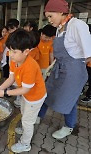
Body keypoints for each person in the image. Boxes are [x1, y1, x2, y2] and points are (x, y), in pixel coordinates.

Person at [38, 0, 91, 139]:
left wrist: (74, 65)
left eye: (51, 16)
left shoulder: (77, 25)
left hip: (73, 72)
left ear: (61, 12)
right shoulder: (60, 28)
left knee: (69, 100)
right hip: (59, 68)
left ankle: (69, 126)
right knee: (47, 92)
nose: (49, 20)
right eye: (47, 17)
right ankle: (38, 117)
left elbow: (89, 54)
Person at [0, 29, 47, 153]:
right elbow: (11, 78)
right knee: (23, 112)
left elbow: (25, 89)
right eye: (10, 50)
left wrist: (6, 93)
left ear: (26, 51)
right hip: (27, 96)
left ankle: (25, 143)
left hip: (35, 97)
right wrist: (0, 88)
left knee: (28, 121)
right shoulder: (14, 60)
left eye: (14, 51)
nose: (10, 54)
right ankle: (24, 128)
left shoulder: (30, 66)